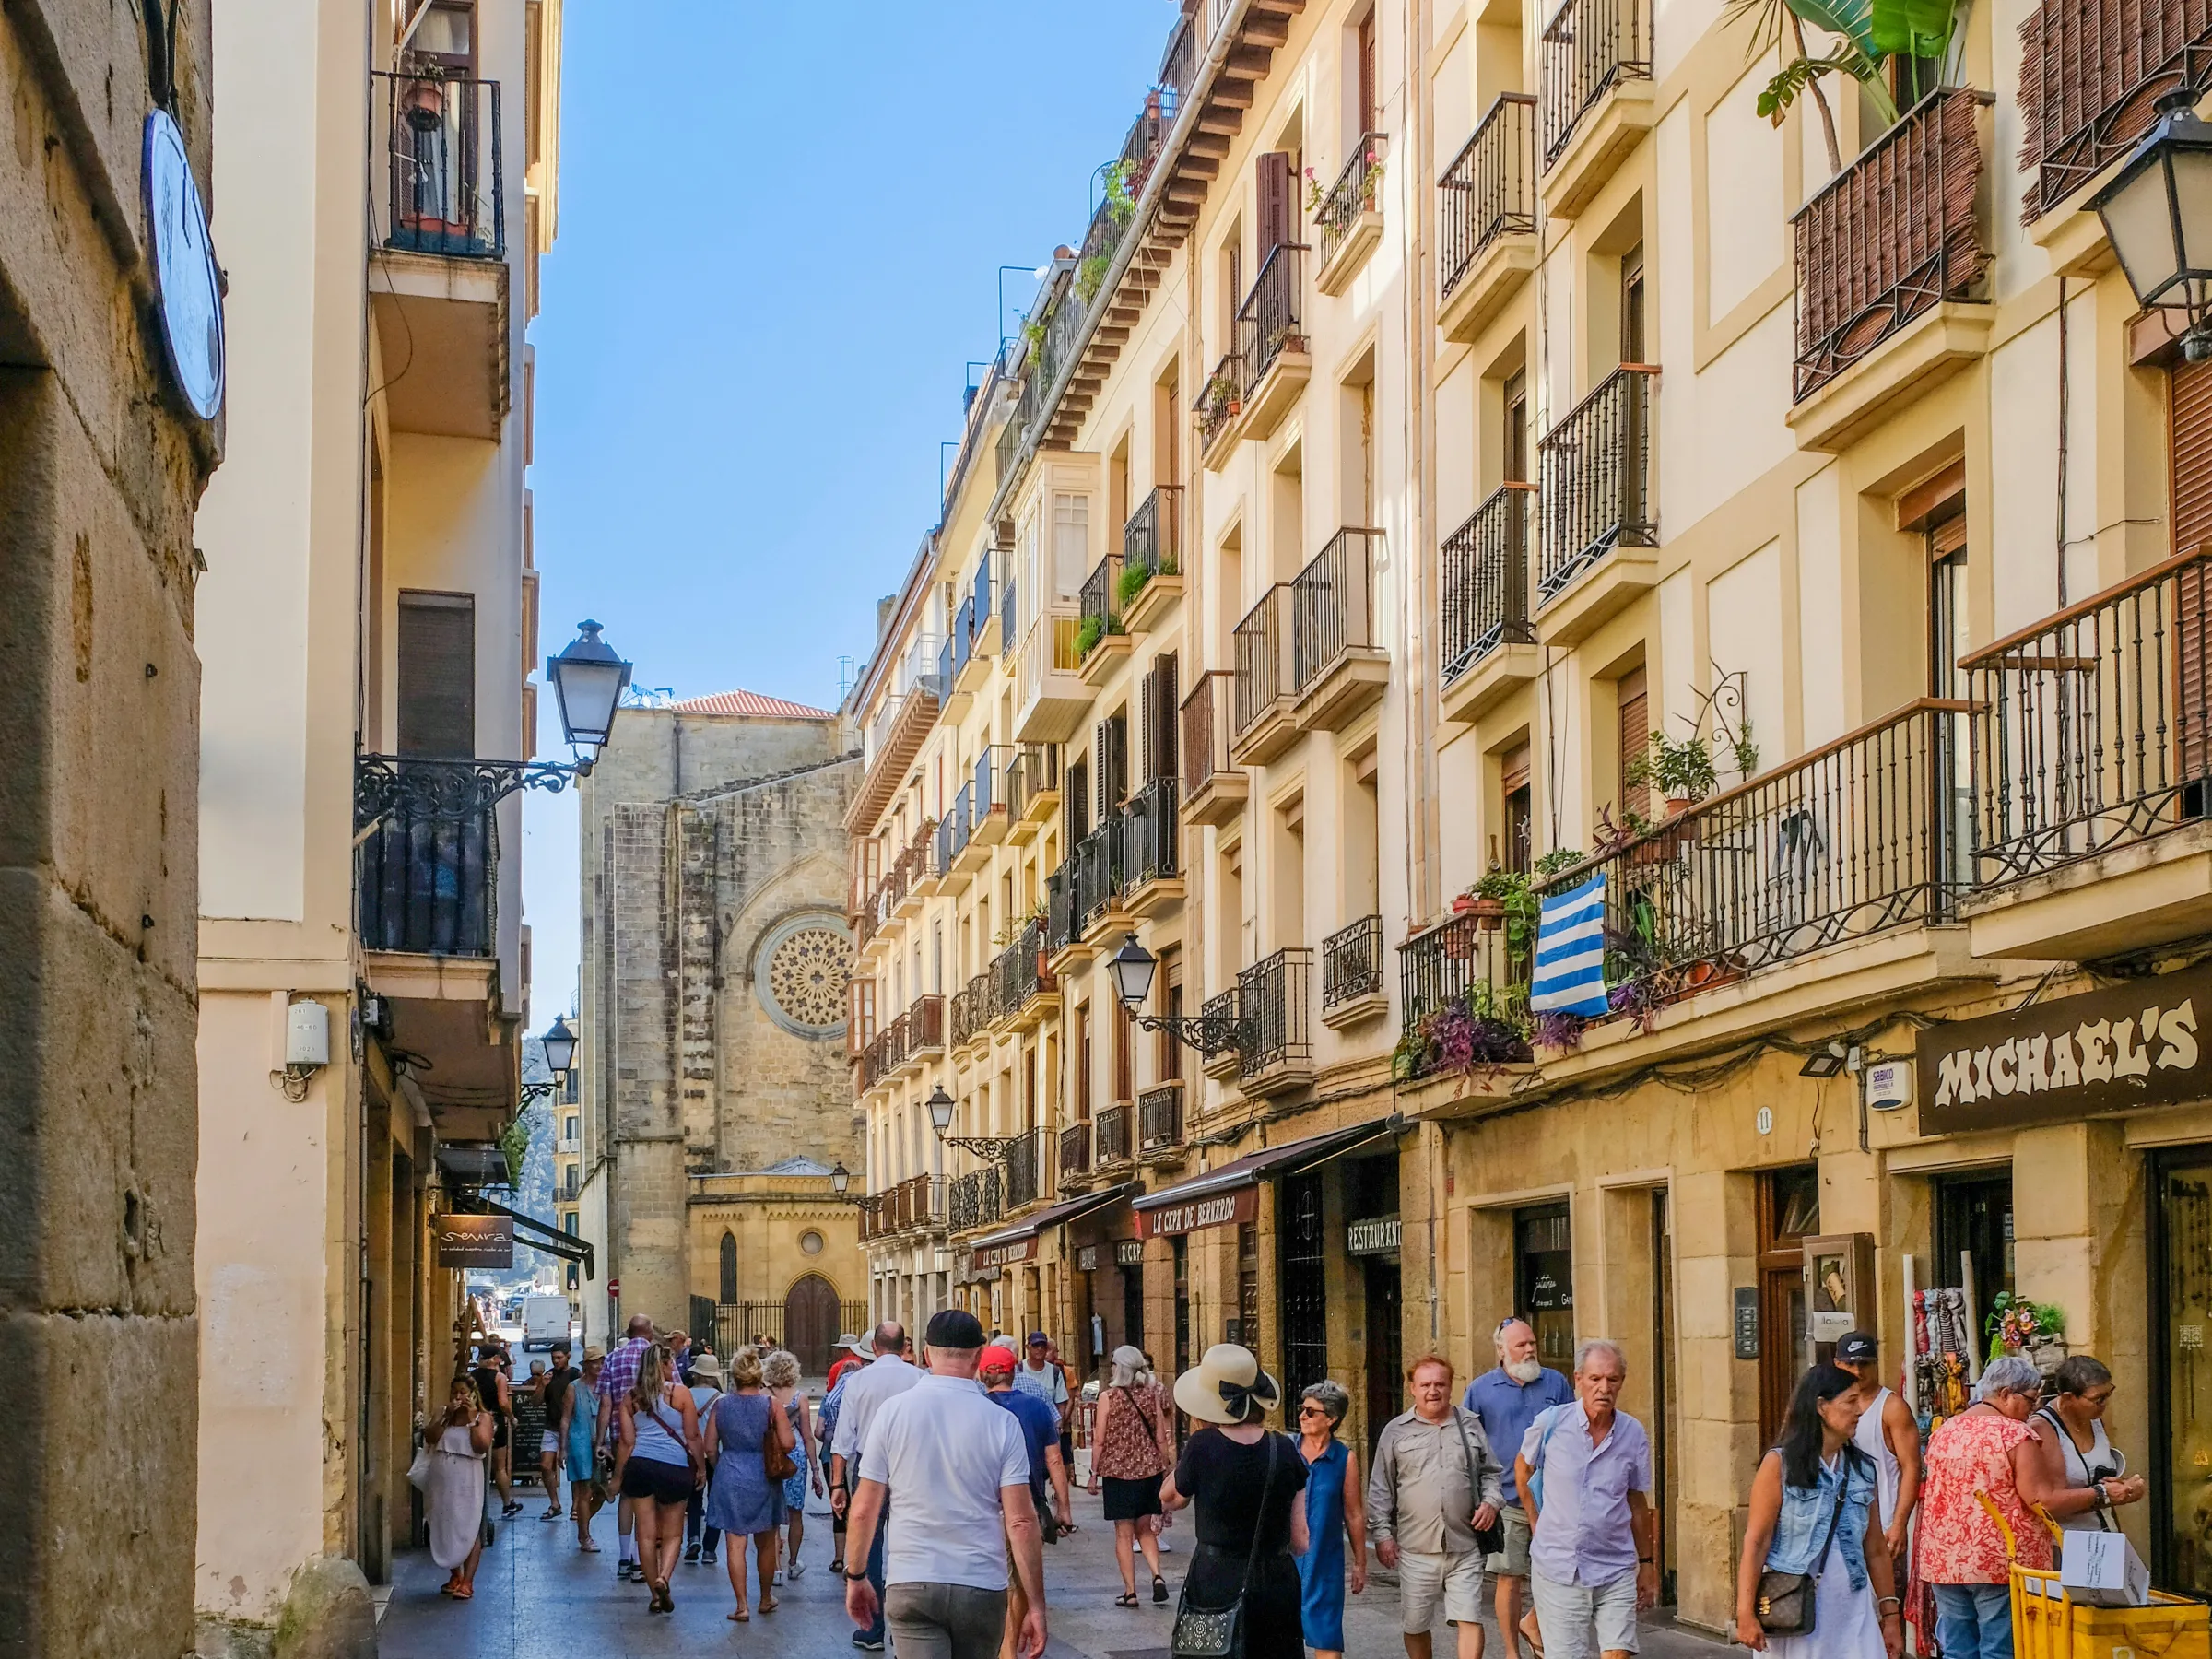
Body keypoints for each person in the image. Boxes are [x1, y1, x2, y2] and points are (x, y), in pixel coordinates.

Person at [843, 1309, 1049, 1659]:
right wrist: (1036, 1605)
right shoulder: (1002, 1423)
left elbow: (864, 1509)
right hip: (980, 1582)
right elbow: (1020, 1521)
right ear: (979, 1357)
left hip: (913, 1578)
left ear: (925, 1353)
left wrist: (857, 1576)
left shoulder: (892, 1413)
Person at [1916, 1353, 2124, 1659]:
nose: (2033, 1409)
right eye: (2030, 1400)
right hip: (1999, 1562)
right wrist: (2101, 1494)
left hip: (1943, 1560)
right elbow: (2041, 1499)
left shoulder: (1946, 1430)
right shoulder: (2014, 1434)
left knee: (1957, 1650)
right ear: (2005, 1395)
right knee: (1999, 1651)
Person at [1734, 1363, 1902, 1659]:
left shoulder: (1862, 1468)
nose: (1859, 1411)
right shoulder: (1780, 1465)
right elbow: (1757, 1541)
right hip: (1796, 1607)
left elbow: (1875, 1548)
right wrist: (1745, 1613)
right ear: (1822, 1407)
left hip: (1854, 1606)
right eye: (1850, 1402)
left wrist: (1890, 1618)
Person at [1161, 1344, 1310, 1659]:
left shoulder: (1202, 1446)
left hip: (1216, 1581)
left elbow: (1170, 1498)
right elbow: (1300, 1541)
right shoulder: (1284, 1449)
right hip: (1276, 1584)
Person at [1514, 1339, 1658, 1659]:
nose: (1603, 1388)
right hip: (1560, 1568)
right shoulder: (1551, 1424)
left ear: (1621, 1382)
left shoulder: (1633, 1434)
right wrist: (1535, 1520)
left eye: (1612, 1379)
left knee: (1619, 1653)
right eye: (1595, 1379)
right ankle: (1535, 1628)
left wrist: (1647, 1565)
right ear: (1578, 1379)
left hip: (1615, 1566)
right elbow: (1522, 1470)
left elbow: (1637, 1502)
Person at [1371, 1355, 1505, 1659]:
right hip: (1417, 1548)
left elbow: (1492, 1473)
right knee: (1416, 1625)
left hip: (1465, 1544)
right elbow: (1381, 1488)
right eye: (1426, 1384)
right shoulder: (1395, 1431)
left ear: (1450, 1387)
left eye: (1440, 1384)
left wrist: (1491, 1502)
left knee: (1470, 1617)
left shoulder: (1470, 1424)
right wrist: (1381, 1535)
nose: (1433, 1390)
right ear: (1413, 1389)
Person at [1466, 1320, 1574, 1659]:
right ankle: (1512, 1652)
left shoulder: (1555, 1382)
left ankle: (1533, 1623)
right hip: (1506, 1497)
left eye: (1532, 1343)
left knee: (1566, 1573)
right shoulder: (1481, 1389)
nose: (1529, 1350)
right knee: (1509, 1576)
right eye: (1520, 1345)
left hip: (1554, 1499)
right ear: (1502, 1350)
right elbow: (1469, 1445)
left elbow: (1573, 1430)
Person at [832, 1321, 922, 1652]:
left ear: (874, 1348)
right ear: (903, 1346)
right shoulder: (920, 1378)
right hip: (910, 1471)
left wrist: (837, 1484)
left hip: (869, 1472)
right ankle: (905, 1629)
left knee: (869, 1547)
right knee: (906, 1547)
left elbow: (843, 1440)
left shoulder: (857, 1382)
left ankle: (872, 1628)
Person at [982, 1342, 1070, 1659]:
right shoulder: (1035, 1407)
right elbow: (1055, 1459)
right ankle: (1008, 1650)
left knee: (998, 1579)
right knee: (1018, 1580)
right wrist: (1064, 1506)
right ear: (1015, 1371)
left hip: (986, 1508)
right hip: (1029, 1505)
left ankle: (1004, 1649)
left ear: (983, 1374)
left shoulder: (978, 1406)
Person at [704, 1346, 795, 1620]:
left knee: (735, 1543)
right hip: (763, 1475)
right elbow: (789, 1443)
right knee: (766, 1542)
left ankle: (741, 1605)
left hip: (731, 1472)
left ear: (734, 1376)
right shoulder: (771, 1405)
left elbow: (709, 1447)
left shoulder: (720, 1405)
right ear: (759, 1376)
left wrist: (720, 1465)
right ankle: (765, 1598)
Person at [615, 1339, 704, 1614]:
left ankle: (654, 1595)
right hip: (674, 1467)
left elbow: (626, 1443)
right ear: (666, 1365)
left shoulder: (630, 1398)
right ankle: (663, 1577)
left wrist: (617, 1477)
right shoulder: (681, 1395)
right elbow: (692, 1435)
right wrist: (700, 1468)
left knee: (645, 1533)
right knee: (673, 1532)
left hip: (640, 1466)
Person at [1088, 1343, 1174, 1606]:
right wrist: (1165, 1464)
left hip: (1118, 1473)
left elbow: (1099, 1439)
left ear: (1121, 1368)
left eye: (1114, 1363)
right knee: (1146, 1529)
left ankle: (1130, 1592)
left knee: (1123, 1534)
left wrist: (1093, 1473)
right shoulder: (1151, 1394)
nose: (1111, 1367)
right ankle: (1157, 1576)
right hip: (1148, 1471)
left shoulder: (1108, 1397)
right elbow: (1160, 1435)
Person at [1830, 1332, 1923, 1571]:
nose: (1858, 1371)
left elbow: (1911, 1466)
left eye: (1865, 1364)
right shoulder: (1827, 1406)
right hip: (1837, 1530)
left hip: (1883, 1528)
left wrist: (1899, 1524)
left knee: (1888, 1603)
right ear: (1837, 1364)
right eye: (1850, 1364)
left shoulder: (1892, 1407)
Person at [2029, 1354, 2147, 1533]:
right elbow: (2049, 1504)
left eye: (2109, 1394)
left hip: (2104, 1532)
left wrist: (2125, 1489)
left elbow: (2099, 1482)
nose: (2104, 1404)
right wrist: (2104, 1494)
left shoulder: (2094, 1419)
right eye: (2098, 1399)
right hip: (2066, 1541)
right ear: (2068, 1398)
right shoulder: (2043, 1428)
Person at [1296, 1380, 1371, 1659]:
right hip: (1285, 1559)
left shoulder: (1344, 1459)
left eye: (1311, 1412)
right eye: (1302, 1409)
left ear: (1332, 1419)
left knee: (1327, 1638)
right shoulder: (1286, 1449)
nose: (1303, 1416)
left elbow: (1353, 1514)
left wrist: (1360, 1564)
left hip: (1324, 1562)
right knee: (1280, 1635)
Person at [596, 1313, 655, 1582]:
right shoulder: (657, 1357)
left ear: (630, 1332)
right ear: (649, 1332)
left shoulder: (612, 1358)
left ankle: (624, 1557)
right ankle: (642, 1561)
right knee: (649, 1500)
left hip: (621, 1437)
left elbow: (605, 1404)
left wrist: (601, 1440)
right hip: (654, 1437)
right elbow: (675, 1393)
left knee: (627, 1496)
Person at [426, 1375, 496, 1600]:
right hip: (442, 1474)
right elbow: (430, 1438)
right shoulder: (443, 1413)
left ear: (473, 1394)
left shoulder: (482, 1417)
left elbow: (481, 1446)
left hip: (467, 1474)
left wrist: (471, 1419)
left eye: (463, 1392)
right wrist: (446, 1418)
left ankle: (468, 1581)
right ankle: (454, 1574)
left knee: (468, 1526)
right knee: (444, 1524)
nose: (458, 1397)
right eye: (454, 1392)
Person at [765, 1347, 824, 1583]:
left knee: (772, 1514)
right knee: (795, 1512)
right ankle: (792, 1563)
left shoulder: (764, 1394)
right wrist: (816, 1470)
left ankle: (776, 1568)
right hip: (795, 1453)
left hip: (771, 1452)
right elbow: (808, 1436)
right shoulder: (800, 1397)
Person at [560, 1347, 605, 1551]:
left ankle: (582, 1526)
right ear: (586, 1365)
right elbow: (566, 1418)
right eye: (594, 1362)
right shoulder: (574, 1388)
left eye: (601, 1362)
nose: (598, 1366)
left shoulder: (606, 1387)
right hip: (579, 1442)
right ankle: (585, 1536)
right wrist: (563, 1448)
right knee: (584, 1491)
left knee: (605, 1491)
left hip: (603, 1443)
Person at [470, 1340, 520, 1518]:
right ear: (496, 1359)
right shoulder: (499, 1378)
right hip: (493, 1421)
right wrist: (512, 1418)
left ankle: (475, 1505)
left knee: (475, 1464)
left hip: (474, 1421)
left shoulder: (471, 1376)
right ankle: (507, 1503)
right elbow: (503, 1403)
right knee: (499, 1467)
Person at [685, 1353, 725, 1566]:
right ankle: (710, 1549)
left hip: (691, 1454)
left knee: (694, 1499)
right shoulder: (721, 1399)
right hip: (715, 1454)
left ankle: (693, 1537)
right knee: (715, 1501)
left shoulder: (686, 1395)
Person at [538, 1340, 579, 1521]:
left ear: (568, 1356)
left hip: (572, 1427)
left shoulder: (576, 1375)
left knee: (574, 1469)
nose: (555, 1361)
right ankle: (555, 1503)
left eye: (559, 1358)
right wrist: (542, 1386)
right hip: (552, 1426)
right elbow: (535, 1402)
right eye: (553, 1358)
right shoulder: (549, 1376)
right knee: (545, 1465)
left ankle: (576, 1507)